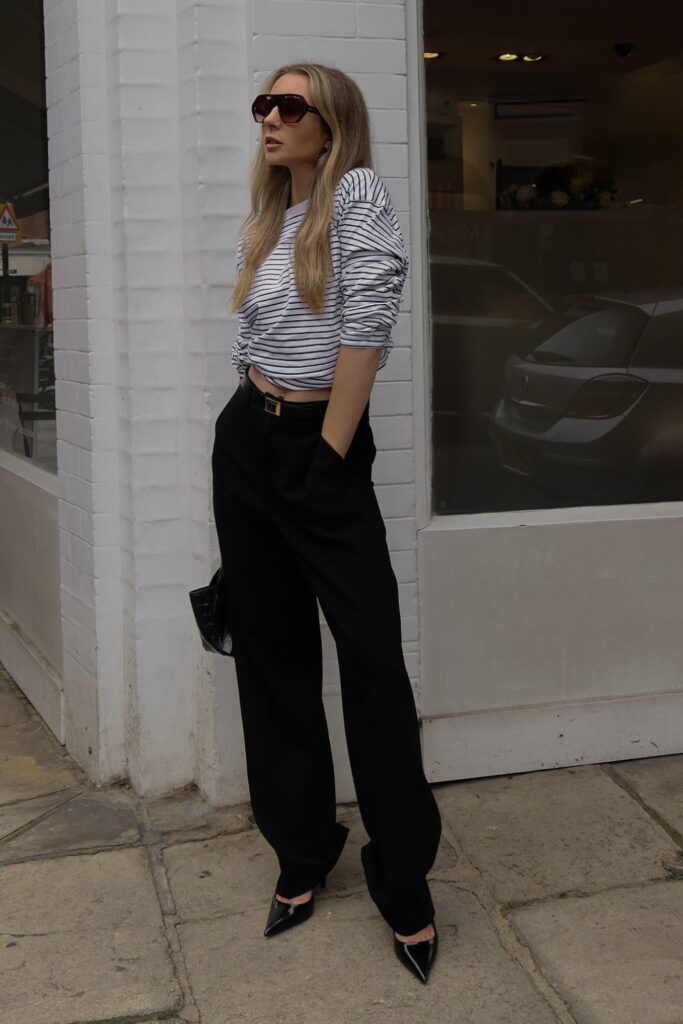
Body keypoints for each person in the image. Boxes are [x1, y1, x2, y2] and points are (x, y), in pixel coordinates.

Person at [211, 62, 442, 984]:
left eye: (290, 105)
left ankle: (405, 886)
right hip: (248, 444)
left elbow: (366, 329)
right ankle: (303, 856)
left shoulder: (354, 192)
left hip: (321, 448)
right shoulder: (275, 215)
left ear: (330, 122)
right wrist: (255, 443)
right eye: (263, 103)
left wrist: (329, 455)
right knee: (270, 656)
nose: (270, 117)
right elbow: (265, 336)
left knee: (372, 663)